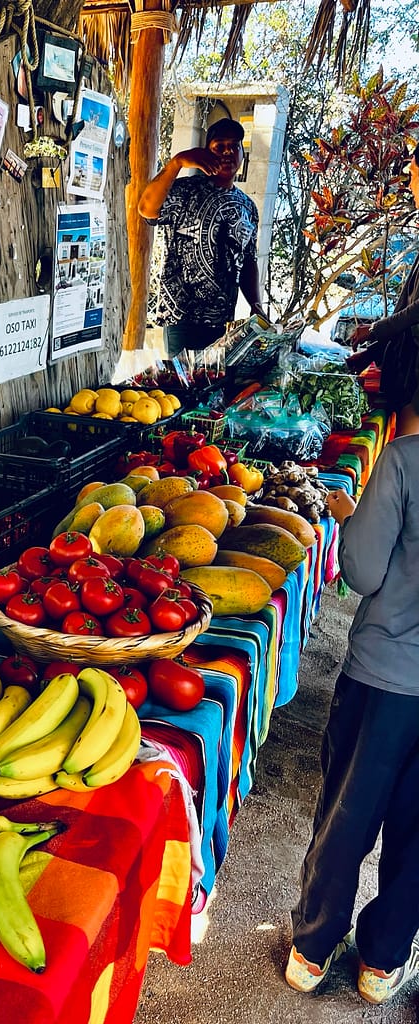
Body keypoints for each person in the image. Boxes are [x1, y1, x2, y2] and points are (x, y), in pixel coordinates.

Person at [285, 433, 419, 1005]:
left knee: (347, 811)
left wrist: (351, 515)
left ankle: (312, 951)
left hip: (383, 675)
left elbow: (359, 571)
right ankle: (382, 965)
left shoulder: (405, 459)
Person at [138, 116, 268, 357]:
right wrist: (176, 163)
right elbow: (146, 209)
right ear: (204, 154)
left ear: (242, 154)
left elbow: (248, 259)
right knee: (179, 389)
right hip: (180, 316)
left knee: (212, 387)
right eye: (219, 146)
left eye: (234, 146)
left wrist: (255, 304)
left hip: (222, 320)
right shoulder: (185, 190)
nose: (228, 152)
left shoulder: (247, 207)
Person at [346, 144, 419, 437]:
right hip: (406, 368)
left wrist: (374, 330)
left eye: (413, 173)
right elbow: (407, 305)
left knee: (407, 459)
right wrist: (372, 352)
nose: (411, 184)